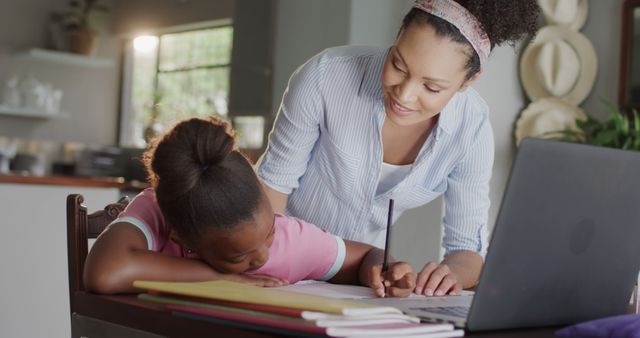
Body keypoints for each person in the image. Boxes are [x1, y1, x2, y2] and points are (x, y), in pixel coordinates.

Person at [257, 0, 540, 297]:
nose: (404, 95)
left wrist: (450, 274)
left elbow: (467, 249)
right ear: (396, 38)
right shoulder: (326, 76)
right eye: (398, 65)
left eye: (432, 88)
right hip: (277, 267)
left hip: (358, 283)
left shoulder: (471, 129)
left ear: (469, 81)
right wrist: (265, 265)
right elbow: (271, 190)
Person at [84, 116, 416, 297]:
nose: (262, 257)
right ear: (185, 240)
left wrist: (383, 267)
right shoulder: (158, 210)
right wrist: (218, 279)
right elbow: (104, 273)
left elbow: (362, 256)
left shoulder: (286, 243)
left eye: (268, 231)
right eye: (238, 257)